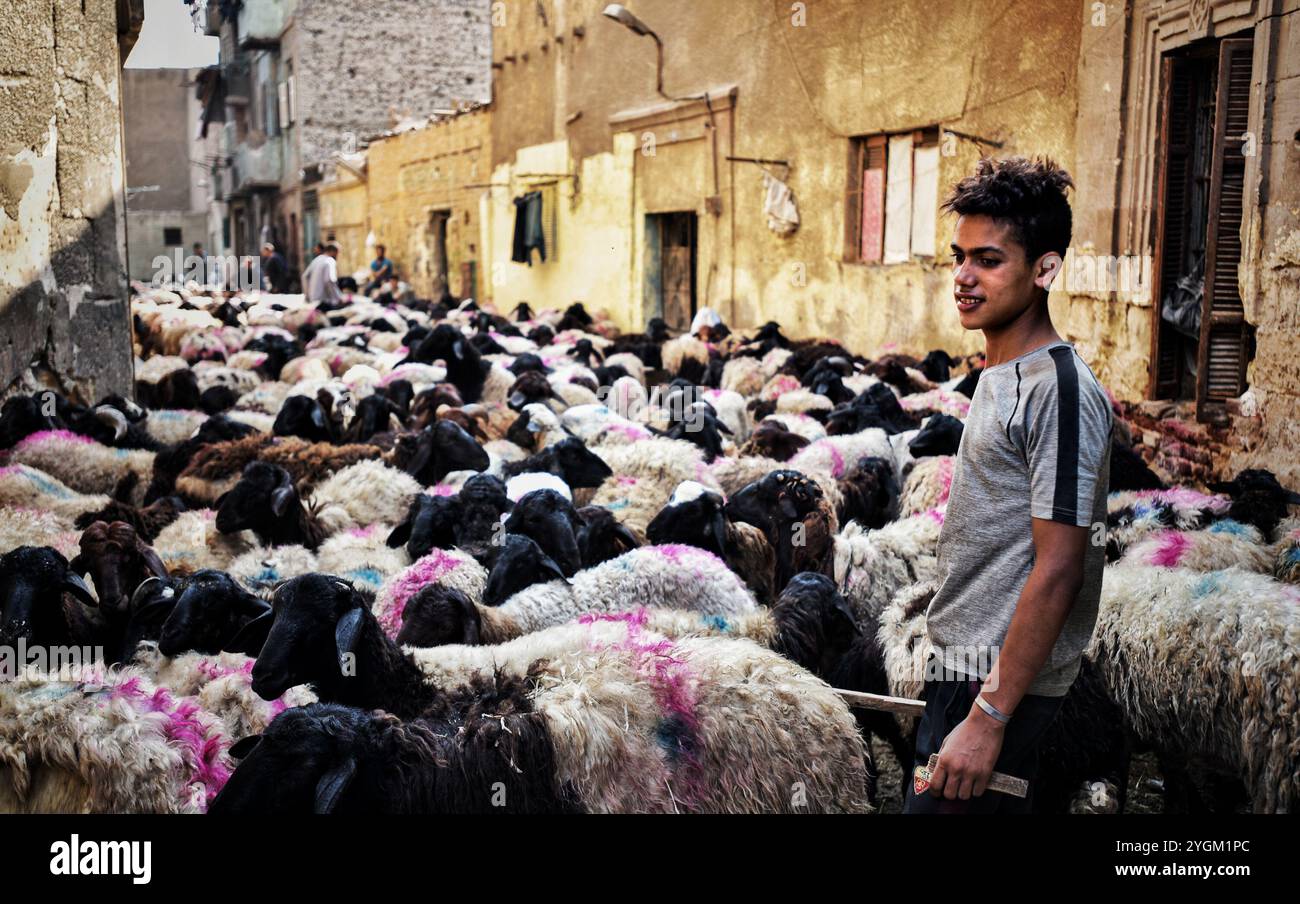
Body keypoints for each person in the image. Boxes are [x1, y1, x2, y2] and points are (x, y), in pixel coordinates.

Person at [903, 157, 1112, 814]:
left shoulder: (1060, 391)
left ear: (1044, 270)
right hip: (959, 673)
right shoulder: (999, 375)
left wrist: (990, 716)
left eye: (988, 260)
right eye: (959, 257)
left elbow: (1059, 568)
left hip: (998, 690)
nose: (963, 277)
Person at [302, 241, 342, 307]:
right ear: (332, 251)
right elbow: (329, 280)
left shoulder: (316, 260)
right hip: (324, 301)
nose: (337, 255)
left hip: (313, 300)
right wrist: (338, 298)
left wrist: (308, 296)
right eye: (337, 253)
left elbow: (304, 276)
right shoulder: (330, 261)